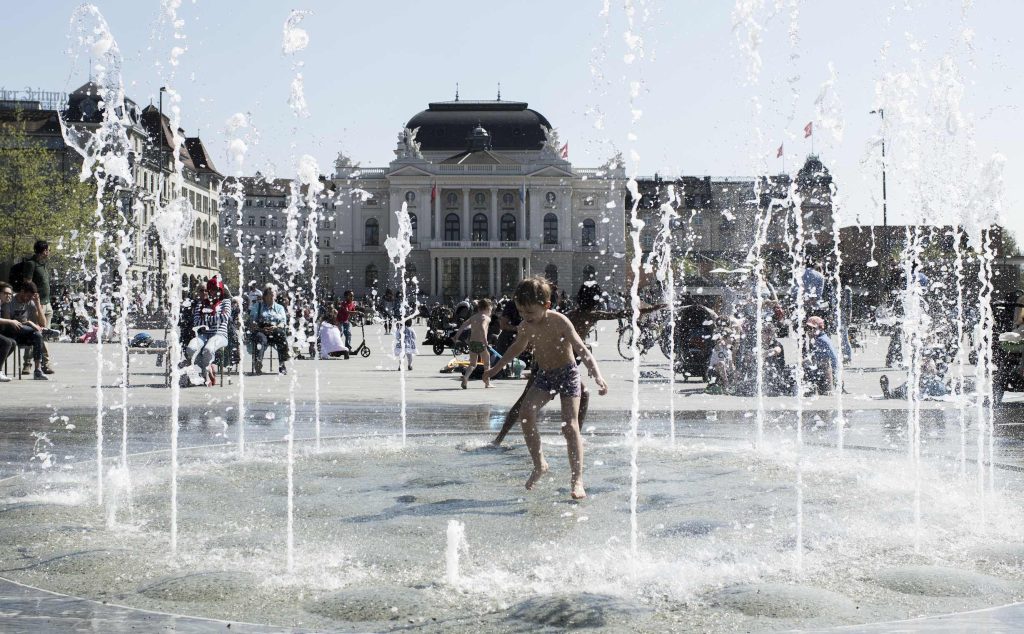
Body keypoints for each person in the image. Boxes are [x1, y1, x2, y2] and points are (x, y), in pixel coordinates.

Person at [483, 277, 609, 500]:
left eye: (530, 313)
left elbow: (581, 349)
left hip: (567, 374)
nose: (526, 318)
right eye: (522, 313)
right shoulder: (525, 326)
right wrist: (495, 368)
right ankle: (539, 463)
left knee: (570, 427)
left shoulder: (560, 322)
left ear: (546, 306)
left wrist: (597, 375)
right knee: (525, 413)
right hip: (544, 375)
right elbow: (515, 349)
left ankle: (577, 479)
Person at [490, 282, 656, 447]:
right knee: (529, 402)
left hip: (561, 365)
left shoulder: (572, 313)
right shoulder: (590, 314)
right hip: (549, 365)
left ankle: (503, 438)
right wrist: (648, 310)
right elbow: (619, 314)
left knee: (577, 394)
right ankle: (573, 434)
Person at [182, 277, 232, 386]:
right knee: (191, 349)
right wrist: (213, 319)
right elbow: (196, 323)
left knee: (208, 349)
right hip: (203, 334)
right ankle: (208, 368)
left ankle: (205, 374)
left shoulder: (225, 302)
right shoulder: (202, 303)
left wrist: (206, 319)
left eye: (218, 289)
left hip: (220, 334)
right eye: (213, 289)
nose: (215, 292)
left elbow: (224, 317)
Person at [17, 240, 55, 374]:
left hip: (47, 303)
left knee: (43, 334)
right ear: (44, 251)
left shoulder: (43, 265)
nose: (49, 252)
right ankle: (27, 363)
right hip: (37, 304)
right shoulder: (31, 264)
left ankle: (45, 364)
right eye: (48, 250)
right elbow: (27, 283)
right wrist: (35, 300)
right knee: (33, 332)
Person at [0, 281, 48, 380]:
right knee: (33, 330)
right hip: (9, 332)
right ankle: (46, 331)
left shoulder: (30, 302)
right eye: (28, 296)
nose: (29, 299)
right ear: (22, 292)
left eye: (31, 298)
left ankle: (37, 371)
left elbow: (43, 323)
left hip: (23, 333)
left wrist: (38, 305)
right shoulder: (9, 300)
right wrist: (29, 323)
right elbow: (8, 324)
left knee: (37, 335)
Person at [248, 285, 290, 374]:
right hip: (261, 329)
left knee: (281, 334)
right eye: (271, 294)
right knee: (261, 338)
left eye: (274, 294)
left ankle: (282, 364)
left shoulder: (279, 308)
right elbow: (252, 322)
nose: (273, 297)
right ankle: (258, 362)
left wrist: (276, 327)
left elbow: (283, 322)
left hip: (275, 330)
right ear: (265, 296)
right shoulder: (258, 306)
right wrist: (261, 329)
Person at [455, 298, 493, 389]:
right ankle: (487, 383)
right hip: (481, 343)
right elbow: (483, 328)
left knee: (472, 364)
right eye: (491, 310)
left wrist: (456, 336)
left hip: (472, 343)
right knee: (487, 363)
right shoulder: (486, 318)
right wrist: (485, 340)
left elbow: (464, 325)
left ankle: (466, 377)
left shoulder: (474, 317)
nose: (491, 312)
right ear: (487, 308)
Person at [804, 315, 838, 395]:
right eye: (807, 328)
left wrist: (836, 376)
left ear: (820, 328)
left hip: (825, 373)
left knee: (825, 362)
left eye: (812, 328)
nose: (809, 331)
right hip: (819, 369)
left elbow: (834, 357)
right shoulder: (817, 338)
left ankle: (828, 389)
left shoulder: (823, 340)